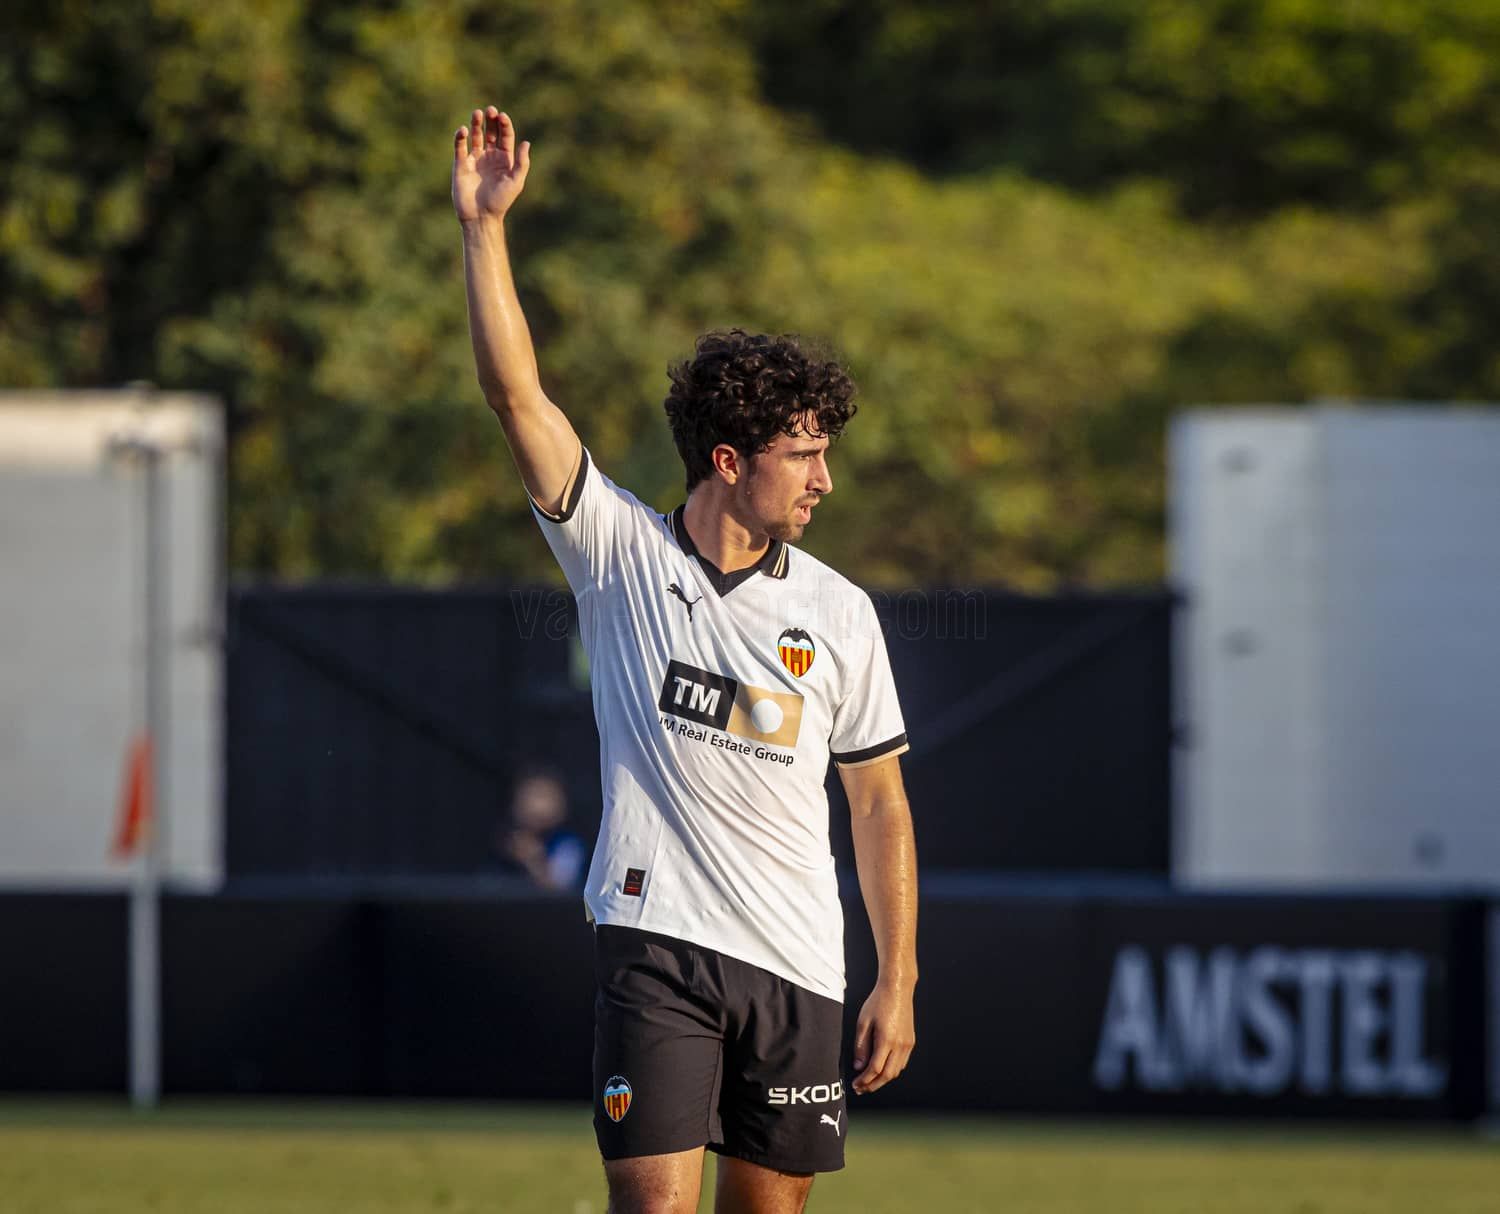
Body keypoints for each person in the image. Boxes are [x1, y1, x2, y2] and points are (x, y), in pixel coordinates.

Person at [452, 105, 917, 1214]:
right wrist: (482, 230)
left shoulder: (841, 612)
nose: (824, 480)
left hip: (800, 965)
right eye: (803, 455)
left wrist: (897, 973)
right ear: (728, 458)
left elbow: (881, 805)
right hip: (654, 944)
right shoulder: (616, 553)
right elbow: (518, 396)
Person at [493, 765, 586, 890]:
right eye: (528, 796)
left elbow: (560, 885)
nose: (537, 806)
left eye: (545, 797)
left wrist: (533, 858)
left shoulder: (567, 844)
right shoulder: (505, 840)